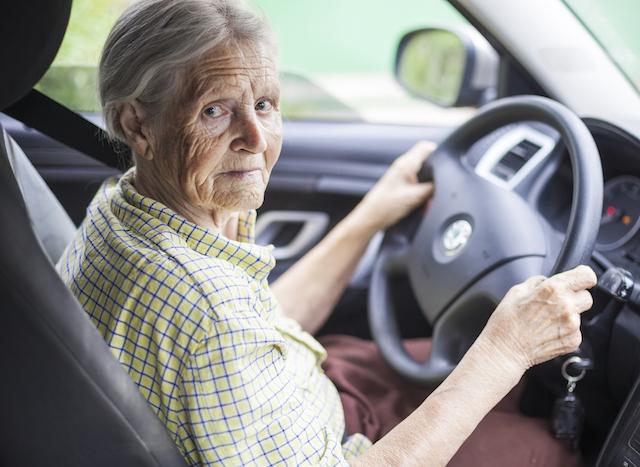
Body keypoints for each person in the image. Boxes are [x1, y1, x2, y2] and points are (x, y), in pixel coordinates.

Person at [57, 0, 597, 465]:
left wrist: (368, 217)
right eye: (215, 110)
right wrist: (503, 350)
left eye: (265, 104)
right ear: (136, 126)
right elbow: (220, 327)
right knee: (547, 443)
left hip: (308, 389)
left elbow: (256, 326)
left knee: (496, 376)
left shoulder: (126, 206)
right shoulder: (208, 313)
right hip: (343, 443)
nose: (255, 136)